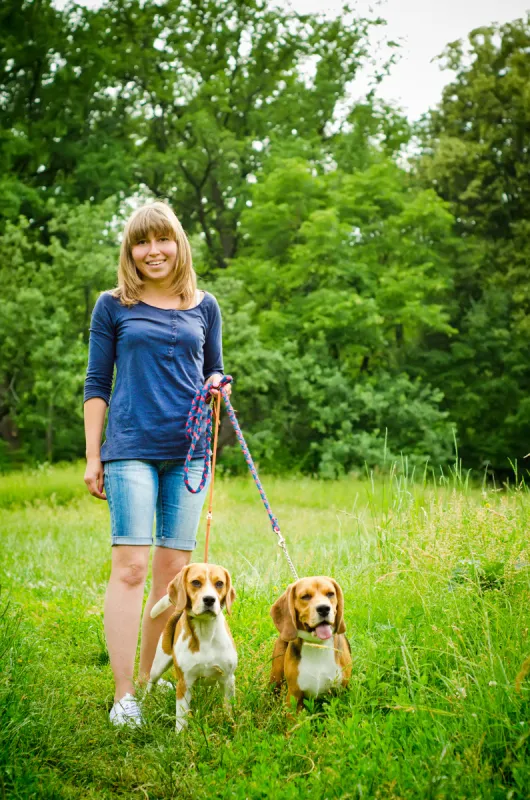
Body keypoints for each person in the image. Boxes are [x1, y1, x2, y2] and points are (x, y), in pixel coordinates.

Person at [83, 200, 230, 726]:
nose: (153, 251)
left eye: (161, 240)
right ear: (131, 250)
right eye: (141, 242)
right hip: (130, 448)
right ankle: (123, 695)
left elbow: (213, 368)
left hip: (190, 451)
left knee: (174, 575)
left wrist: (219, 382)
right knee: (131, 569)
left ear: (178, 244)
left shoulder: (204, 305)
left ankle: (149, 681)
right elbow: (97, 384)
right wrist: (92, 454)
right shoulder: (113, 304)